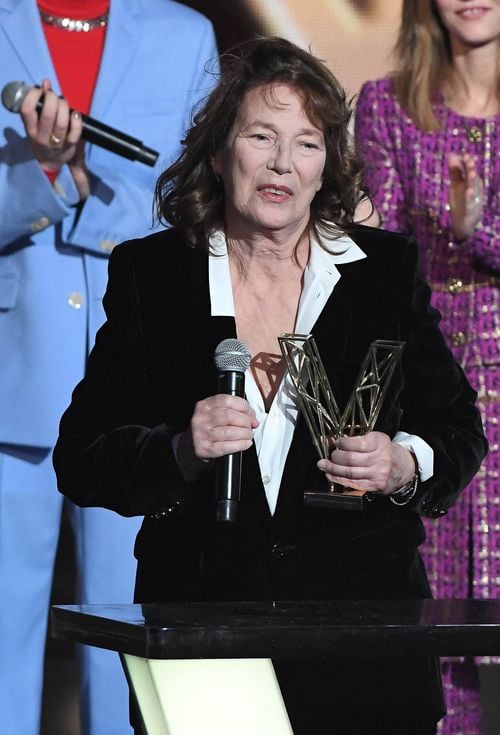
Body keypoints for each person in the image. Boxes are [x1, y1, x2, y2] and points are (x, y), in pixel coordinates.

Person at [53, 36, 487, 735]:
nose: (283, 163)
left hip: (363, 654)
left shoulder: (382, 272)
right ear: (221, 153)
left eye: (307, 143)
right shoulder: (153, 275)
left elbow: (459, 429)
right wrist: (178, 451)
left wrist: (404, 462)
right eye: (262, 135)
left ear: (328, 165)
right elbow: (81, 456)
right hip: (202, 647)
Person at [355, 1, 500, 733]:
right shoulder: (386, 106)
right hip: (428, 397)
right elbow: (379, 257)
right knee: (434, 633)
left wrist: (480, 233)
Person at [0, 1, 217, 734]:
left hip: (138, 381)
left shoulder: (186, 37)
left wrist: (85, 192)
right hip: (10, 375)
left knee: (127, 632)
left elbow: (198, 203)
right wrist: (50, 181)